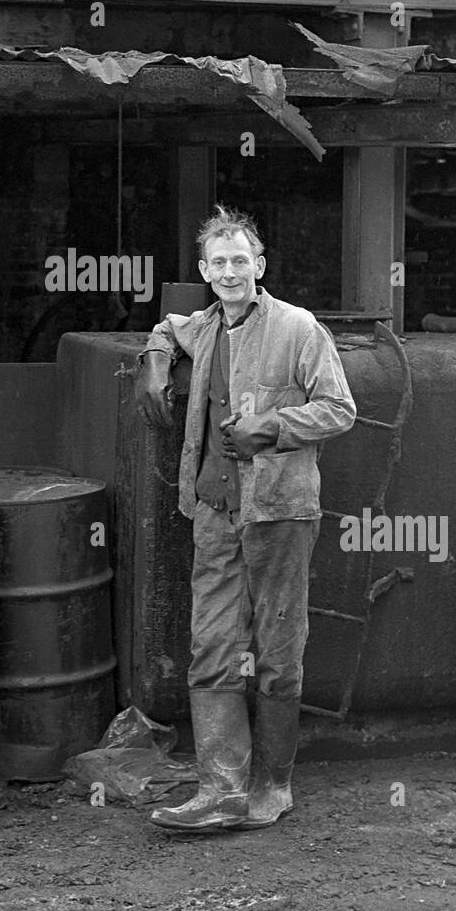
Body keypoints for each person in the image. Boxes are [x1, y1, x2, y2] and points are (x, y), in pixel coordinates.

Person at [135, 205, 356, 832]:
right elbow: (167, 325)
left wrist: (275, 427)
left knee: (278, 648)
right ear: (206, 271)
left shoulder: (298, 328)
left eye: (242, 261)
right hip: (212, 512)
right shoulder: (203, 327)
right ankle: (220, 789)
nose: (231, 272)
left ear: (260, 266)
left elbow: (339, 409)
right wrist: (154, 362)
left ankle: (273, 786)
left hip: (279, 513)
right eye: (219, 263)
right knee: (211, 645)